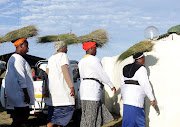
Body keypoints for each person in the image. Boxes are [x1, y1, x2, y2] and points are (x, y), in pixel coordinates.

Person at [78, 41, 116, 127]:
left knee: (87, 116)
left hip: (84, 91)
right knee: (92, 117)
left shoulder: (81, 61)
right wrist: (111, 85)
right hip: (92, 91)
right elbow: (102, 74)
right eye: (95, 48)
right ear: (91, 48)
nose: (96, 50)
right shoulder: (94, 60)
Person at [5, 38, 35, 127]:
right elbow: (21, 77)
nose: (28, 49)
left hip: (18, 94)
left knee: (19, 117)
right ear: (21, 46)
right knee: (22, 117)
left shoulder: (16, 58)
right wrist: (26, 94)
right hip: (20, 94)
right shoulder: (18, 59)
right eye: (27, 46)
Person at [121, 52, 155, 127]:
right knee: (138, 122)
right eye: (144, 58)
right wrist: (151, 98)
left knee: (128, 122)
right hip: (136, 99)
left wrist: (123, 95)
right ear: (141, 58)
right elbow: (145, 84)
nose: (145, 59)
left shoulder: (125, 67)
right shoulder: (141, 68)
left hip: (126, 99)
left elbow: (122, 83)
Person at [45, 41, 75, 127]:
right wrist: (71, 86)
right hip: (63, 94)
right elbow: (65, 71)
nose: (67, 49)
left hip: (53, 94)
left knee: (55, 116)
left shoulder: (51, 58)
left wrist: (46, 89)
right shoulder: (63, 56)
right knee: (61, 116)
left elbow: (47, 74)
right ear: (62, 48)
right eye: (66, 47)